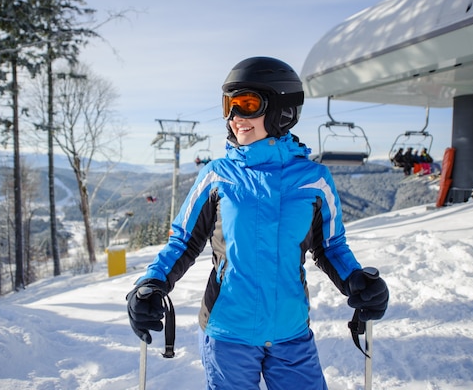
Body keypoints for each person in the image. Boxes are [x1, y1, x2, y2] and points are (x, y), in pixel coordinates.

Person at [126, 56, 389, 389]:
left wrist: (356, 280)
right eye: (229, 106)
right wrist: (152, 282)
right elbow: (183, 241)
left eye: (248, 104)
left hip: (291, 333)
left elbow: (330, 244)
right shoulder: (217, 176)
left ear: (282, 110)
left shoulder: (314, 180)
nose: (235, 117)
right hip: (227, 336)